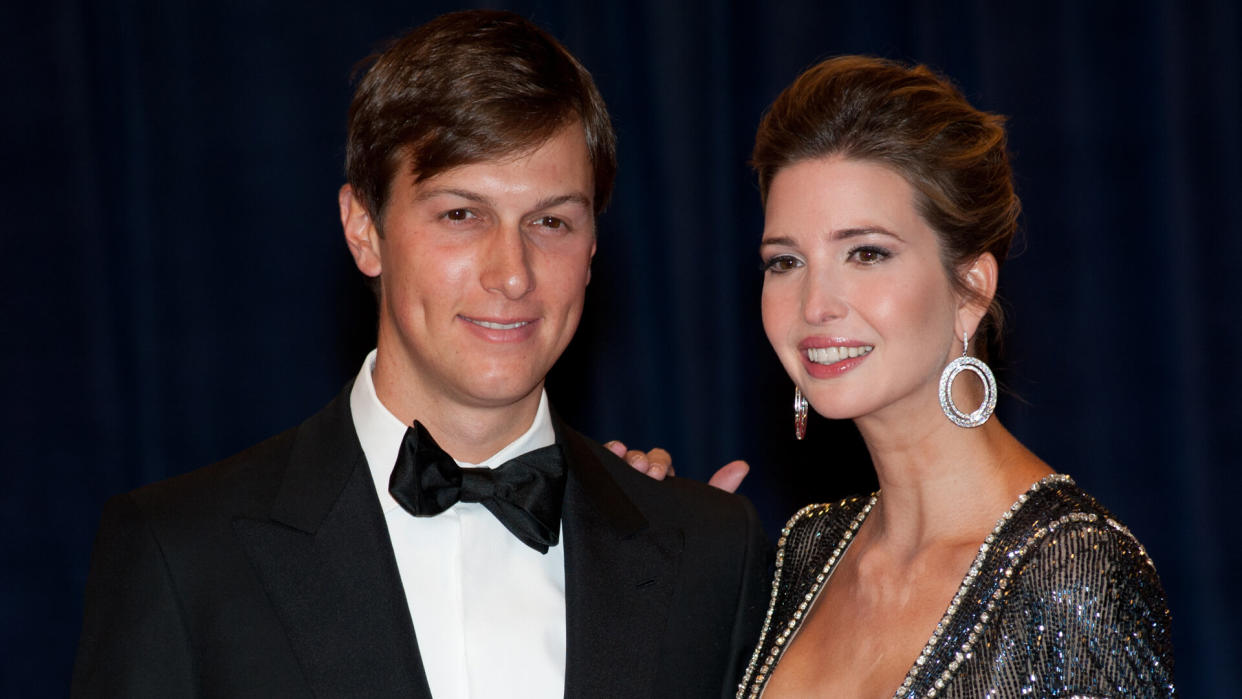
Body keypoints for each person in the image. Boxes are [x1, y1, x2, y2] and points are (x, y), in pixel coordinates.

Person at [71, 10, 769, 698]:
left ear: (591, 249)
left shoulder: (705, 553)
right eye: (461, 214)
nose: (513, 273)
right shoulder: (184, 554)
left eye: (550, 220)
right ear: (364, 229)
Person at [622, 55, 1174, 697]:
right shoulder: (806, 549)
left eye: (866, 253)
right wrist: (643, 574)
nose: (815, 305)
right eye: (786, 261)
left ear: (970, 286)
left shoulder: (1071, 571)